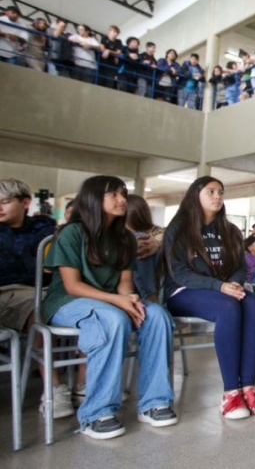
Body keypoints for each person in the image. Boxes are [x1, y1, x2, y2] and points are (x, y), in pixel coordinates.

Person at [44, 176, 177, 439]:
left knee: (157, 315)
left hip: (109, 303)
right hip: (68, 303)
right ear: (94, 199)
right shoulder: (72, 233)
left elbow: (125, 283)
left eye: (123, 194)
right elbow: (72, 286)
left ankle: (154, 403)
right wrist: (118, 302)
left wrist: (130, 299)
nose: (122, 200)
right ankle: (96, 414)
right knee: (112, 318)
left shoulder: (125, 237)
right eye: (114, 195)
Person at [163, 176, 255, 420]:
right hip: (183, 291)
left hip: (223, 289)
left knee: (253, 303)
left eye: (221, 192)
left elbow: (239, 266)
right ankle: (230, 393)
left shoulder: (230, 231)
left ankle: (249, 388)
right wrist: (219, 286)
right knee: (228, 308)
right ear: (195, 195)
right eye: (211, 191)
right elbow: (179, 273)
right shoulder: (179, 229)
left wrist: (232, 283)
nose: (217, 196)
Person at [0, 179, 74, 418]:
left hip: (43, 289)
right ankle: (54, 390)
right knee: (39, 309)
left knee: (87, 305)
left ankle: (84, 384)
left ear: (25, 203)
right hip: (7, 292)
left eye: (5, 202)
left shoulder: (43, 230)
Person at [124, 194, 164, 303]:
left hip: (148, 284)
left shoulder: (155, 233)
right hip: (126, 283)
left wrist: (158, 243)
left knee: (140, 240)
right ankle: (150, 297)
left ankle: (150, 297)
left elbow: (168, 235)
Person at [98, 25, 123, 89]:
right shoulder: (105, 38)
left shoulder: (118, 42)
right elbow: (102, 48)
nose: (116, 34)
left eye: (117, 32)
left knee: (110, 82)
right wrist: (109, 52)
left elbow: (119, 52)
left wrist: (109, 51)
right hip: (103, 62)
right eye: (114, 32)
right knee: (100, 81)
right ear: (109, 31)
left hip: (112, 65)